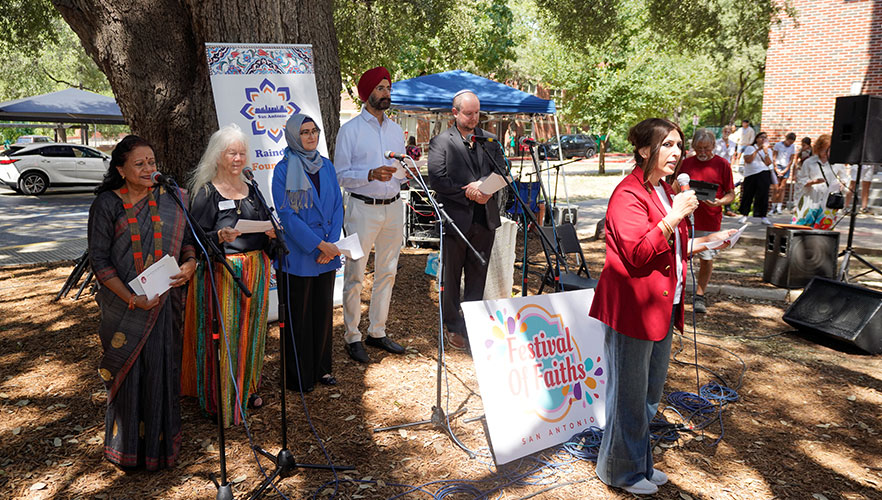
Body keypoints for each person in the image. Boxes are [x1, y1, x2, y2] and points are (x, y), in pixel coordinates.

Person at [589, 118, 735, 495]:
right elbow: (637, 252)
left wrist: (708, 243)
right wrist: (674, 217)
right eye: (667, 144)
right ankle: (618, 472)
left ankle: (638, 463)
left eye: (678, 145)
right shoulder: (628, 195)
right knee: (628, 396)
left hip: (662, 306)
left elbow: (668, 247)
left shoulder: (662, 191)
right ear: (643, 150)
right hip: (632, 308)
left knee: (650, 394)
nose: (676, 152)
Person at [87, 135, 197, 470]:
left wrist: (190, 266)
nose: (149, 168)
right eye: (140, 163)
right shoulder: (107, 204)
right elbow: (100, 261)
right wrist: (133, 299)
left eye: (152, 162)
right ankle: (126, 449)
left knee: (161, 371)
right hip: (124, 310)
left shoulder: (173, 199)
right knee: (130, 374)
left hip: (165, 305)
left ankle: (161, 450)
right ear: (121, 169)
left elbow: (189, 243)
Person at [181, 125, 275, 426]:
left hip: (255, 271)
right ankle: (218, 397)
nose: (238, 158)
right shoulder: (207, 192)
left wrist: (272, 233)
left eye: (242, 152)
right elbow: (193, 238)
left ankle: (246, 389)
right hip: (222, 273)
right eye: (231, 152)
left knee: (252, 333)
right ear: (218, 156)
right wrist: (218, 235)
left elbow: (264, 226)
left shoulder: (252, 188)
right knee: (225, 337)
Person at [334, 66, 408, 363]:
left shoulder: (394, 129)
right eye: (380, 88)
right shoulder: (350, 130)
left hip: (394, 206)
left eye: (388, 88)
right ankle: (352, 335)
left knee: (387, 272)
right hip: (362, 208)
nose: (386, 93)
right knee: (355, 274)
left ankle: (377, 331)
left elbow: (401, 171)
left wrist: (405, 174)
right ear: (367, 93)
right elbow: (340, 175)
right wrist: (370, 174)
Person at [428, 90, 504, 350]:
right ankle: (452, 324)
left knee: (477, 275)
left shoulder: (490, 140)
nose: (474, 118)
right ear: (455, 113)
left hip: (485, 220)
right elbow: (438, 180)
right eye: (469, 113)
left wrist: (484, 188)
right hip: (455, 220)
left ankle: (472, 323)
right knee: (451, 277)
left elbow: (502, 171)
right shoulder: (441, 142)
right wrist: (470, 192)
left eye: (477, 113)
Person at [273, 113, 343, 392]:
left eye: (314, 131)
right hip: (300, 255)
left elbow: (338, 206)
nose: (311, 136)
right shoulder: (284, 169)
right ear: (293, 136)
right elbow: (287, 216)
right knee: (297, 320)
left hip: (326, 253)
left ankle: (322, 369)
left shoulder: (326, 166)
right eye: (304, 132)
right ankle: (298, 376)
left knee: (322, 313)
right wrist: (318, 245)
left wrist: (331, 243)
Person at [676, 128, 735, 314]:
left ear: (713, 146)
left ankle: (700, 295)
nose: (702, 152)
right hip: (684, 218)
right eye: (698, 148)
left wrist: (719, 202)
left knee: (706, 258)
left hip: (709, 220)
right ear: (693, 146)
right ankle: (678, 293)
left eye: (706, 148)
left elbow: (731, 194)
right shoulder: (686, 163)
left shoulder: (722, 164)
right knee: (680, 256)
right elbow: (674, 186)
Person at [793, 134, 840, 229]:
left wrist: (840, 185)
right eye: (824, 149)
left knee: (824, 226)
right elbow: (801, 179)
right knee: (803, 225)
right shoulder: (809, 162)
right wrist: (813, 182)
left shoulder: (837, 163)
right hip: (811, 198)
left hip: (828, 200)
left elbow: (844, 179)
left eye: (829, 149)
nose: (826, 152)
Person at [737, 131, 774, 225]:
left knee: (763, 195)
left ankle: (763, 215)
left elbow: (769, 163)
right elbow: (748, 160)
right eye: (761, 137)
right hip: (751, 174)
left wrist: (765, 152)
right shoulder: (750, 148)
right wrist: (757, 150)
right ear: (757, 138)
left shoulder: (768, 150)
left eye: (765, 138)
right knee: (748, 194)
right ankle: (744, 214)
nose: (763, 139)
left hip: (763, 173)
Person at [770, 132, 797, 214]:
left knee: (782, 187)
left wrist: (787, 169)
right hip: (778, 165)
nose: (790, 144)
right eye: (789, 141)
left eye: (792, 142)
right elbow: (774, 156)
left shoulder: (792, 147)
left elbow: (791, 158)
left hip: (786, 167)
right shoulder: (778, 145)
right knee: (776, 187)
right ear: (786, 139)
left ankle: (779, 206)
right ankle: (773, 206)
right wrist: (776, 168)